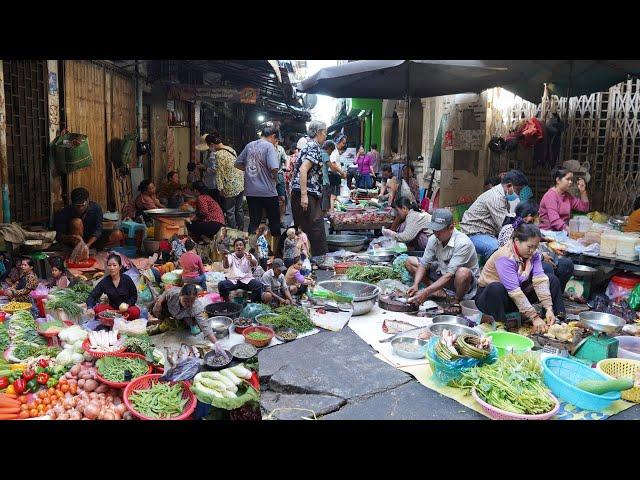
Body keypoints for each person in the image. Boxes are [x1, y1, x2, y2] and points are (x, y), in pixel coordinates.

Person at [475, 223, 564, 333]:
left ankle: (556, 319)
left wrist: (548, 308)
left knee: (551, 279)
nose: (532, 250)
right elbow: (514, 291)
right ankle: (500, 324)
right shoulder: (505, 256)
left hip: (513, 297)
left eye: (535, 247)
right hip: (492, 299)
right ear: (517, 241)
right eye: (529, 247)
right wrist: (534, 317)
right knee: (496, 288)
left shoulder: (534, 255)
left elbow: (540, 280)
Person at [406, 209, 479, 314]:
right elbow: (423, 264)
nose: (436, 233)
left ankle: (456, 300)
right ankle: (437, 290)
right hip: (442, 273)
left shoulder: (463, 243)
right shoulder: (434, 238)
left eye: (439, 230)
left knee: (463, 273)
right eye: (434, 230)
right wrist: (416, 284)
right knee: (410, 261)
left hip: (461, 283)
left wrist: (425, 292)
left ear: (451, 228)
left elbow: (449, 275)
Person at [498, 201, 575, 291]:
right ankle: (544, 296)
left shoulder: (528, 229)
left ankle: (557, 294)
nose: (539, 218)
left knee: (566, 264)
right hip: (516, 266)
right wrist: (541, 257)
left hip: (531, 260)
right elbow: (513, 252)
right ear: (529, 216)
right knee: (546, 267)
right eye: (537, 215)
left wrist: (546, 242)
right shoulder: (510, 229)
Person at [459, 169, 529, 261]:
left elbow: (512, 219)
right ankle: (490, 274)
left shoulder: (504, 195)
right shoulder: (496, 197)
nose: (519, 194)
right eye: (518, 190)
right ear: (509, 186)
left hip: (488, 233)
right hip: (473, 234)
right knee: (497, 249)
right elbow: (505, 226)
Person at [235, 124, 281, 237]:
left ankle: (251, 249)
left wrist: (249, 172)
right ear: (273, 136)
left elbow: (237, 164)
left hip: (251, 191)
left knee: (254, 221)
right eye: (276, 140)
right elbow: (274, 168)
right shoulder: (269, 147)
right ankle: (276, 250)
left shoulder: (249, 145)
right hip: (267, 191)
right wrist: (275, 179)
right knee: (274, 221)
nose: (276, 143)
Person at [291, 120, 329, 256]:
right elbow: (303, 169)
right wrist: (304, 195)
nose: (326, 135)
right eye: (325, 132)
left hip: (305, 192)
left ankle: (305, 258)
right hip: (307, 192)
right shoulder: (313, 147)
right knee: (316, 227)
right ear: (318, 133)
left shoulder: (309, 145)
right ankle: (319, 259)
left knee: (305, 228)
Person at [151, 284, 217, 343]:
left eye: (191, 301)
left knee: (194, 323)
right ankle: (162, 321)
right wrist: (159, 303)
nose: (188, 304)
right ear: (180, 296)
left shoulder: (196, 306)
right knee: (155, 309)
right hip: (170, 309)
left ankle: (186, 322)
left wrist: (216, 343)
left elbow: (205, 325)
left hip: (184, 315)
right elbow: (166, 293)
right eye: (185, 300)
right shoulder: (173, 293)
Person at [86, 254, 140, 320]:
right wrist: (90, 307)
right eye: (109, 265)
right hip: (112, 311)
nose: (112, 268)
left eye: (114, 265)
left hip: (126, 309)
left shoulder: (127, 279)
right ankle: (115, 320)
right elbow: (93, 295)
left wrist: (128, 304)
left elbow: (134, 295)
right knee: (98, 309)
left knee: (135, 312)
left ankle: (119, 320)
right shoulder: (105, 281)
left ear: (120, 267)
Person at [207, 134, 244, 231]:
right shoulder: (230, 149)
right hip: (239, 183)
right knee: (239, 209)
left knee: (229, 211)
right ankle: (241, 229)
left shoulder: (219, 154)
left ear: (212, 144)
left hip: (229, 185)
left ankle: (233, 231)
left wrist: (220, 188)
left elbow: (220, 172)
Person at [539, 166, 590, 232]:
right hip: (548, 232)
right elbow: (555, 221)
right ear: (558, 180)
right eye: (568, 179)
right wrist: (570, 231)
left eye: (571, 179)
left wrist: (583, 191)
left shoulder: (567, 196)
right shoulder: (550, 196)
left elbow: (584, 208)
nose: (570, 182)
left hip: (561, 231)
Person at [328, 134, 347, 209]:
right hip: (333, 175)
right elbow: (333, 164)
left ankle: (330, 212)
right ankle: (332, 214)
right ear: (338, 142)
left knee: (332, 196)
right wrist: (342, 172)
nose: (343, 145)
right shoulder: (334, 151)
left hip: (333, 175)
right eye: (343, 143)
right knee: (332, 196)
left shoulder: (335, 150)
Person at [275, 137, 289, 224]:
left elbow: (286, 160)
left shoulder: (280, 149)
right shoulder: (267, 148)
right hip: (268, 177)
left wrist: (287, 166)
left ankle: (281, 219)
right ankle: (264, 219)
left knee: (282, 198)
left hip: (278, 175)